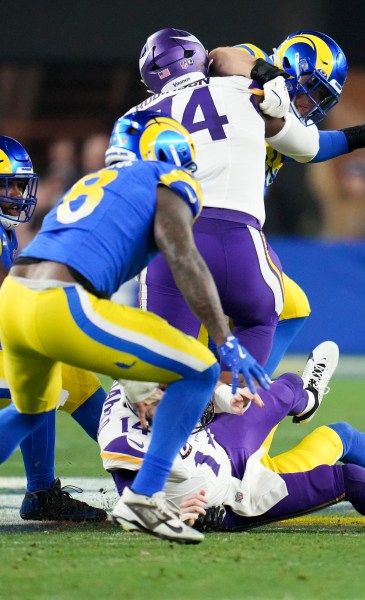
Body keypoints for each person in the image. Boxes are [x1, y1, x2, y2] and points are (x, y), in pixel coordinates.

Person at [0, 112, 270, 544]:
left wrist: (137, 381)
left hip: (15, 300)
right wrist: (225, 338)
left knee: (29, 411)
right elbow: (183, 257)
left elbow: (98, 290)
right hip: (61, 301)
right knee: (200, 368)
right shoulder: (165, 179)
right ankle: (143, 497)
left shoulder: (93, 184)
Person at [98, 341, 365, 533]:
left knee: (285, 387)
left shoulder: (157, 378)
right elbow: (129, 503)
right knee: (351, 475)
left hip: (220, 448)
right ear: (139, 402)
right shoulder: (120, 436)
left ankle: (313, 402)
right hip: (233, 498)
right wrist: (168, 516)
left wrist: (226, 398)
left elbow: (200, 383)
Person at [210, 32, 365, 374]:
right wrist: (266, 73)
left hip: (229, 225)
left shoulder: (289, 119)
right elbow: (220, 55)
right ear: (293, 66)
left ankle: (240, 398)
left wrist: (364, 134)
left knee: (290, 307)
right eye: (313, 88)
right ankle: (250, 399)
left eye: (322, 96)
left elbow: (306, 145)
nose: (312, 103)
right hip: (215, 219)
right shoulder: (255, 68)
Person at [131, 28, 319, 385]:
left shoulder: (134, 119)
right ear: (201, 60)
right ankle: (281, 395)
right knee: (264, 318)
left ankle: (183, 407)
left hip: (169, 243)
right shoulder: (239, 89)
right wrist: (267, 75)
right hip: (237, 238)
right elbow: (308, 145)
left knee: (163, 372)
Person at [0, 134, 107, 522]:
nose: (14, 193)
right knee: (44, 369)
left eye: (18, 184)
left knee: (70, 372)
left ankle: (146, 467)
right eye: (5, 185)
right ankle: (153, 470)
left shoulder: (6, 231)